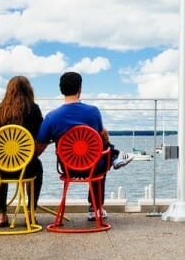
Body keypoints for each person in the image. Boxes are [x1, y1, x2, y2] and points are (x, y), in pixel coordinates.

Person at [35, 71, 133, 221]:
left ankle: (114, 155)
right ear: (80, 89)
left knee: (100, 150)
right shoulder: (92, 112)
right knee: (102, 151)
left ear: (61, 90)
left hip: (67, 167)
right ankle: (95, 208)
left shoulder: (52, 117)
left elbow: (39, 147)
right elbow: (102, 136)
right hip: (93, 166)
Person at [0, 75, 44, 227]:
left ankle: (2, 214)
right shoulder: (34, 109)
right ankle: (30, 213)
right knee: (37, 167)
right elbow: (40, 135)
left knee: (0, 163)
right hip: (25, 168)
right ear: (28, 90)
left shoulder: (0, 108)